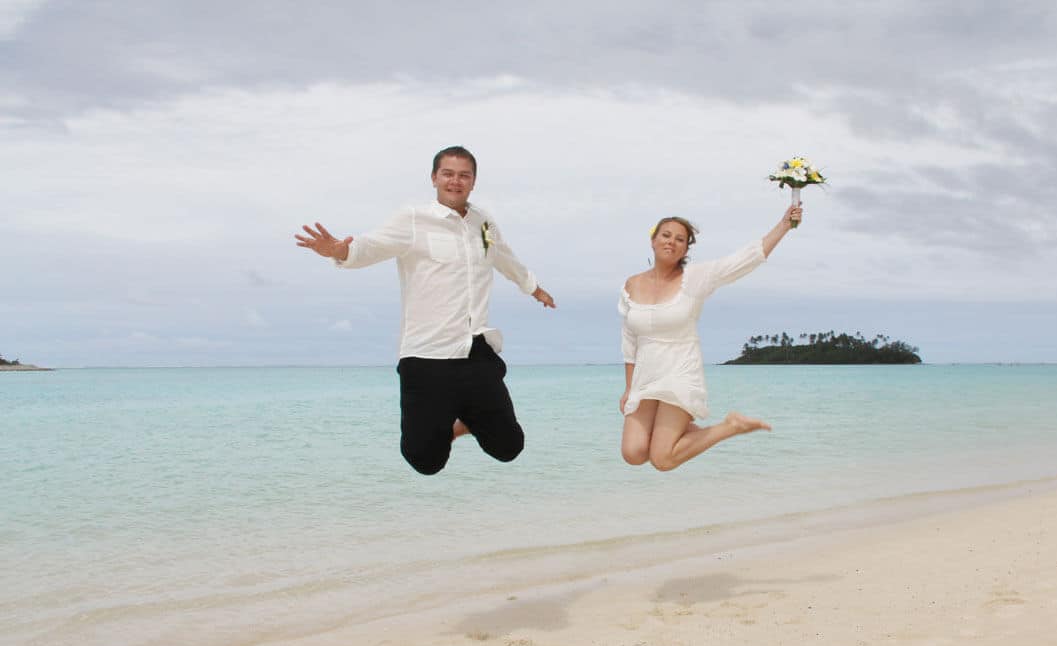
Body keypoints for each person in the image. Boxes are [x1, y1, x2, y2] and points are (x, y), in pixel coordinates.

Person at [294, 145, 556, 475]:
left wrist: (533, 288)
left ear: (473, 181)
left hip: (475, 350)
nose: (455, 181)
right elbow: (372, 246)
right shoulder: (414, 219)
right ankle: (453, 420)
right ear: (434, 178)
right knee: (425, 461)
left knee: (509, 447)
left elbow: (504, 256)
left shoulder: (483, 222)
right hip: (426, 355)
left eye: (464, 175)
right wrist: (340, 251)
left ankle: (465, 418)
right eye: (448, 174)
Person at [618, 203, 804, 471]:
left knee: (663, 459)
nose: (672, 242)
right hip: (646, 375)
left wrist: (784, 224)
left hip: (679, 372)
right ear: (653, 240)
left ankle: (730, 426)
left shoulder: (695, 278)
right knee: (633, 453)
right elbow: (629, 341)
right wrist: (629, 387)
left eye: (680, 239)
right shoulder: (631, 284)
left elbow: (746, 259)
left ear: (686, 248)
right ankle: (675, 430)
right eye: (666, 235)